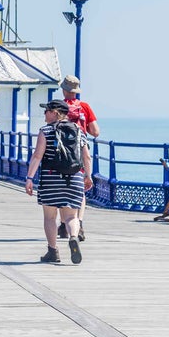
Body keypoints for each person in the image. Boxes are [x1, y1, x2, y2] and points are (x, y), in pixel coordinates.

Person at [24, 99, 93, 265]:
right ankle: (74, 237)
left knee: (50, 217)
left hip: (50, 178)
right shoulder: (78, 130)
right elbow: (86, 156)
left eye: (47, 110)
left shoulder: (45, 131)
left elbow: (37, 156)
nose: (44, 113)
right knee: (71, 216)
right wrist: (88, 176)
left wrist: (29, 178)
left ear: (55, 112)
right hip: (74, 177)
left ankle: (53, 251)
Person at [59, 75, 100, 242]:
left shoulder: (58, 106)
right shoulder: (84, 107)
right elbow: (96, 132)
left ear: (63, 89)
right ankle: (79, 223)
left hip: (61, 153)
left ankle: (63, 225)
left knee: (62, 188)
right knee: (80, 189)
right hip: (80, 152)